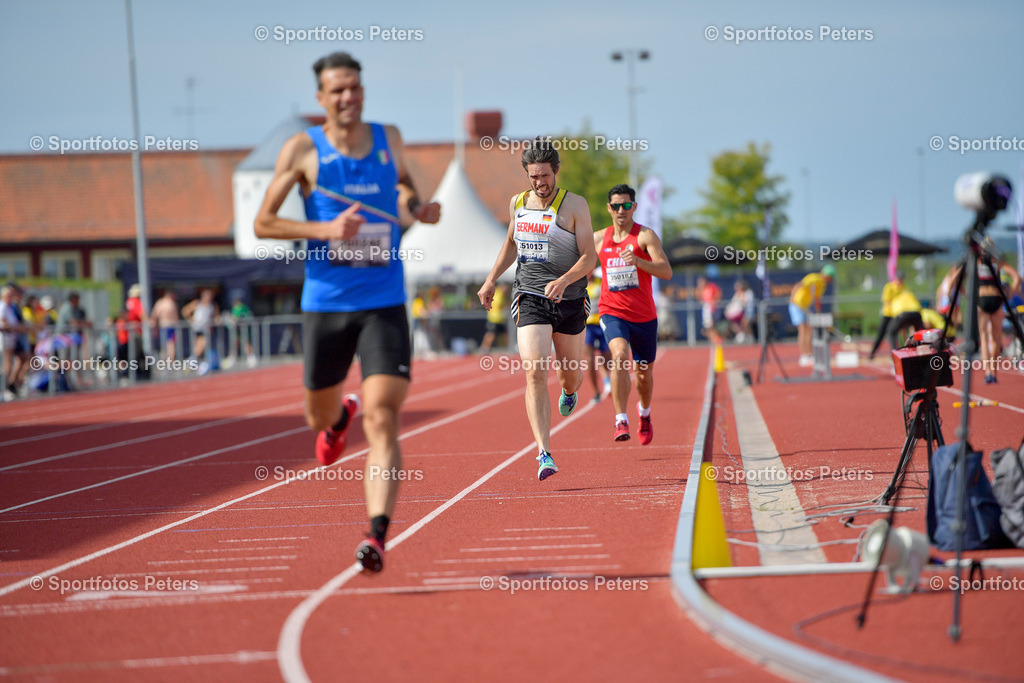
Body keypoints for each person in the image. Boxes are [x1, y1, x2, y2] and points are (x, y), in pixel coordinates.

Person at [254, 51, 440, 573]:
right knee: (317, 415)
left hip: (383, 301)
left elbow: (405, 187)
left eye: (355, 87)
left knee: (384, 416)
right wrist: (325, 229)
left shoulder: (389, 138)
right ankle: (337, 420)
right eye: (337, 90)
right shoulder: (302, 150)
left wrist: (417, 209)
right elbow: (263, 223)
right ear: (321, 97)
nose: (348, 97)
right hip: (327, 303)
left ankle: (376, 534)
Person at [478, 138, 596, 481]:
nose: (539, 183)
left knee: (570, 375)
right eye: (533, 177)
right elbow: (510, 244)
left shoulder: (574, 205)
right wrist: (490, 280)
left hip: (570, 299)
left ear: (556, 171)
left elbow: (590, 256)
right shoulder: (518, 202)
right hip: (530, 296)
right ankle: (544, 453)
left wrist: (564, 280)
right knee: (534, 371)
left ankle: (570, 391)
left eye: (544, 176)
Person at [594, 184, 673, 443]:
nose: (621, 210)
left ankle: (645, 413)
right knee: (618, 356)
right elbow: (581, 266)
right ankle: (620, 419)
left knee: (643, 375)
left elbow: (666, 271)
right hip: (611, 311)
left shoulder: (645, 236)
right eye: (616, 206)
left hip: (643, 316)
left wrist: (638, 261)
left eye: (626, 205)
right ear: (609, 208)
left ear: (634, 207)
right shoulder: (598, 239)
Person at [976, 241, 1022, 383]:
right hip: (997, 298)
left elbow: (957, 277)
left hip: (982, 298)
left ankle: (988, 373)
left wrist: (968, 294)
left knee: (984, 337)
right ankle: (994, 373)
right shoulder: (997, 261)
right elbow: (1017, 277)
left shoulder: (977, 261)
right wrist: (1010, 294)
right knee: (996, 338)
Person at [789, 265, 835, 366]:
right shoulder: (813, 278)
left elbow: (817, 298)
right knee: (802, 329)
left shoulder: (823, 284)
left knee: (809, 330)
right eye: (830, 277)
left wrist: (817, 312)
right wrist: (792, 297)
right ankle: (804, 355)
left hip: (806, 307)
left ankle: (809, 354)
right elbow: (799, 285)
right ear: (826, 275)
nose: (831, 280)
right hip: (797, 304)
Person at [583, 270, 610, 404]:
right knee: (589, 360)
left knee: (607, 357)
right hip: (587, 326)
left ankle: (606, 378)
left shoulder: (602, 281)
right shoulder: (580, 284)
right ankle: (596, 392)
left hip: (602, 323)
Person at [1, 284, 32, 400]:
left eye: (11, 295)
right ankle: (4, 389)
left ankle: (12, 385)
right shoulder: (3, 307)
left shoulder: (11, 307)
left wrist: (21, 328)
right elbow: (5, 325)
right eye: (8, 295)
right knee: (7, 365)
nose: (11, 297)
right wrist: (19, 329)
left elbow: (14, 323)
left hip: (12, 339)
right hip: (5, 339)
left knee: (21, 360)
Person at [868, 272, 905, 360]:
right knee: (881, 334)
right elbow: (887, 301)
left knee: (893, 334)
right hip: (888, 314)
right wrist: (895, 309)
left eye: (901, 279)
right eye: (899, 279)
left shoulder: (904, 288)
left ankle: (895, 354)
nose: (900, 281)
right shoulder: (889, 287)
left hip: (897, 315)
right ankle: (873, 352)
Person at [182, 288, 219, 374]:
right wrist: (192, 319)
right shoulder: (197, 303)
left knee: (202, 347)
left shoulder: (212, 306)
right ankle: (191, 362)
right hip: (198, 329)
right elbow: (185, 311)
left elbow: (216, 316)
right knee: (199, 347)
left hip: (206, 329)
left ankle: (194, 363)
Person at [479, 282, 509, 354]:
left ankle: (509, 348)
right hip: (494, 319)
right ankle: (484, 348)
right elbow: (498, 305)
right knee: (490, 334)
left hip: (500, 319)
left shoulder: (501, 295)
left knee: (505, 334)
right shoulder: (497, 294)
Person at [151, 290, 180, 362]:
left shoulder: (161, 303)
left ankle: (168, 360)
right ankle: (169, 359)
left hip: (165, 326)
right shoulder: (171, 303)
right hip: (169, 326)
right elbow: (176, 317)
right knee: (170, 344)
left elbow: (154, 315)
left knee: (167, 344)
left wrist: (154, 327)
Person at [696, 276, 721, 343]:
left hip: (712, 308)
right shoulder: (701, 290)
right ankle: (713, 340)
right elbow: (699, 299)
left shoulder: (711, 287)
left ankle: (716, 339)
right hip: (706, 309)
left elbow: (718, 294)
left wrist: (715, 302)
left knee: (711, 325)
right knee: (707, 327)